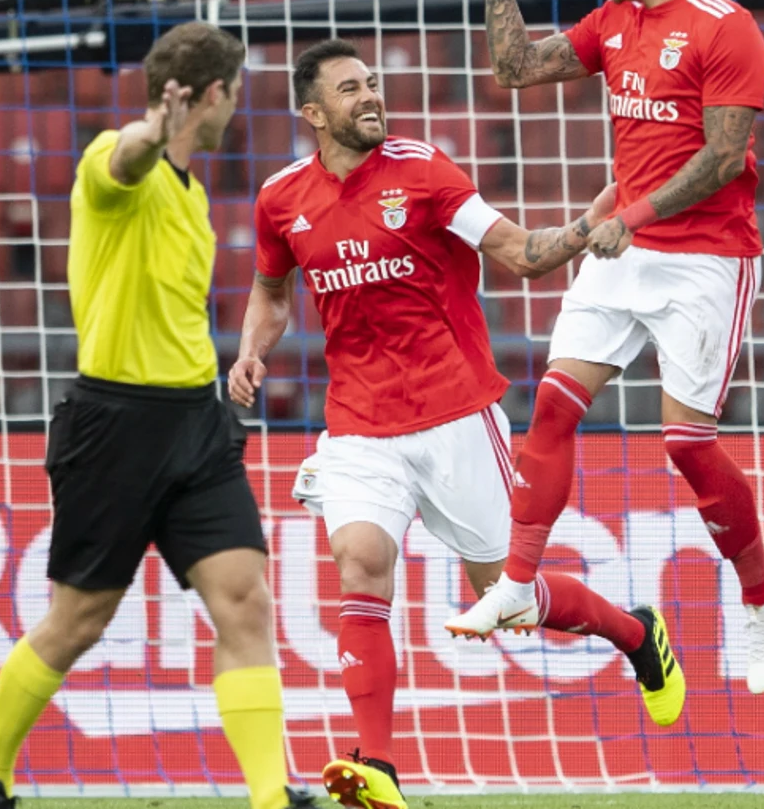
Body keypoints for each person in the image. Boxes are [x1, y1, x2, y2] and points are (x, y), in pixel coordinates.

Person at [227, 40, 684, 809]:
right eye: (350, 89)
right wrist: (250, 350)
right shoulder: (280, 198)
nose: (371, 96)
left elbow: (518, 252)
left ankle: (636, 633)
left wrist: (580, 229)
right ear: (312, 113)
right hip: (359, 422)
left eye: (374, 82)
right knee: (360, 561)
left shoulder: (425, 170)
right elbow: (272, 291)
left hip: (455, 414)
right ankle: (377, 766)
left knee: (505, 592)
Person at [0, 22, 311, 809]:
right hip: (113, 424)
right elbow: (125, 162)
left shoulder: (192, 193)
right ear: (211, 95)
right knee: (77, 621)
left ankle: (269, 796)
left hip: (196, 422)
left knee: (245, 598)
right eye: (235, 92)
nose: (237, 106)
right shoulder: (115, 162)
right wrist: (150, 132)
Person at [445, 0, 764, 694]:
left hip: (706, 258)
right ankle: (516, 578)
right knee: (555, 405)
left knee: (685, 443)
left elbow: (722, 156)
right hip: (624, 250)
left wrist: (631, 214)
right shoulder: (614, 20)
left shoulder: (726, 26)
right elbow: (514, 69)